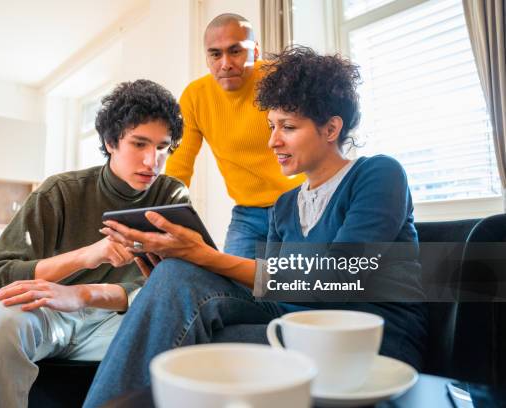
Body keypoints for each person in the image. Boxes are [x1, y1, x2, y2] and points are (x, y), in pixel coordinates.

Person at [83, 46, 428, 406]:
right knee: (174, 278)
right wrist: (181, 266)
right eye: (272, 126)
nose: (272, 141)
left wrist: (205, 257)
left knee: (195, 305)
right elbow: (274, 291)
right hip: (293, 330)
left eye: (288, 127)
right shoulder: (285, 206)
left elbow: (336, 278)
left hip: (364, 344)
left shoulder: (378, 175)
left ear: (331, 128)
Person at [0, 79, 190, 408]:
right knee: (1, 321)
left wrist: (83, 295)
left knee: (173, 338)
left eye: (162, 147)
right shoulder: (58, 192)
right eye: (139, 144)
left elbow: (172, 289)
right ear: (111, 141)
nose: (151, 161)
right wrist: (86, 257)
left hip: (114, 322)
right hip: (46, 315)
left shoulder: (170, 197)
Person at [165, 13, 304, 259]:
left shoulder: (279, 79)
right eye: (215, 54)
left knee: (297, 287)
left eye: (236, 51)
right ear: (207, 58)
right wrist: (164, 216)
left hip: (298, 202)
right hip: (247, 214)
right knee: (233, 292)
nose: (225, 63)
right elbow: (180, 164)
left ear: (256, 51)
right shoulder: (195, 96)